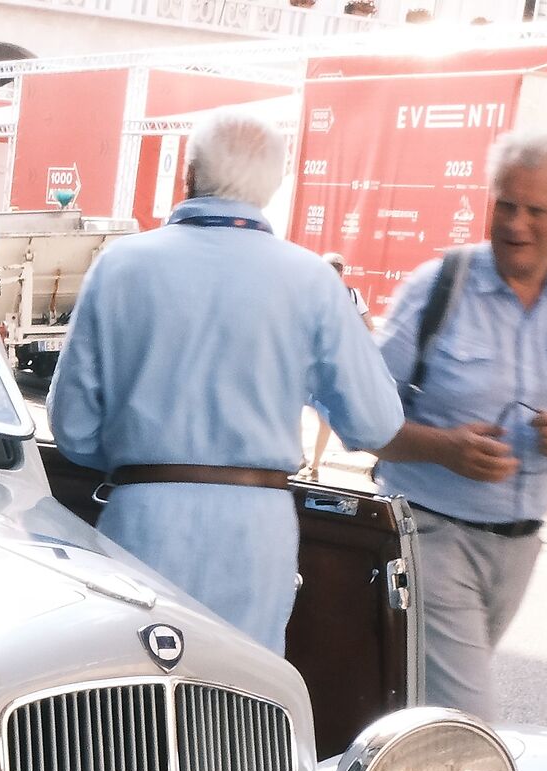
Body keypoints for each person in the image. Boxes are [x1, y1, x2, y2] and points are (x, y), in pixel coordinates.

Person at [48, 108, 403, 652]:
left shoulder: (121, 265)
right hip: (255, 525)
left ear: (188, 174)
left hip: (142, 512)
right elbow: (376, 422)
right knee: (239, 706)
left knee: (129, 699)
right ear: (274, 185)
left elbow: (72, 428)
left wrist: (140, 462)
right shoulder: (310, 279)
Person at [370, 130, 547, 719]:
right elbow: (358, 413)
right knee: (464, 716)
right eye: (505, 205)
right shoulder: (438, 286)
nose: (516, 225)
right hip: (427, 535)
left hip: (520, 550)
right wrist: (441, 447)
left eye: (536, 211)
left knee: (415, 709)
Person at [306, 251, 373, 480]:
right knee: (323, 415)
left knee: (295, 408)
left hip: (311, 362)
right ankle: (312, 464)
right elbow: (369, 327)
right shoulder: (353, 295)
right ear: (342, 271)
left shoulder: (311, 294)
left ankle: (307, 462)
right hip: (334, 363)